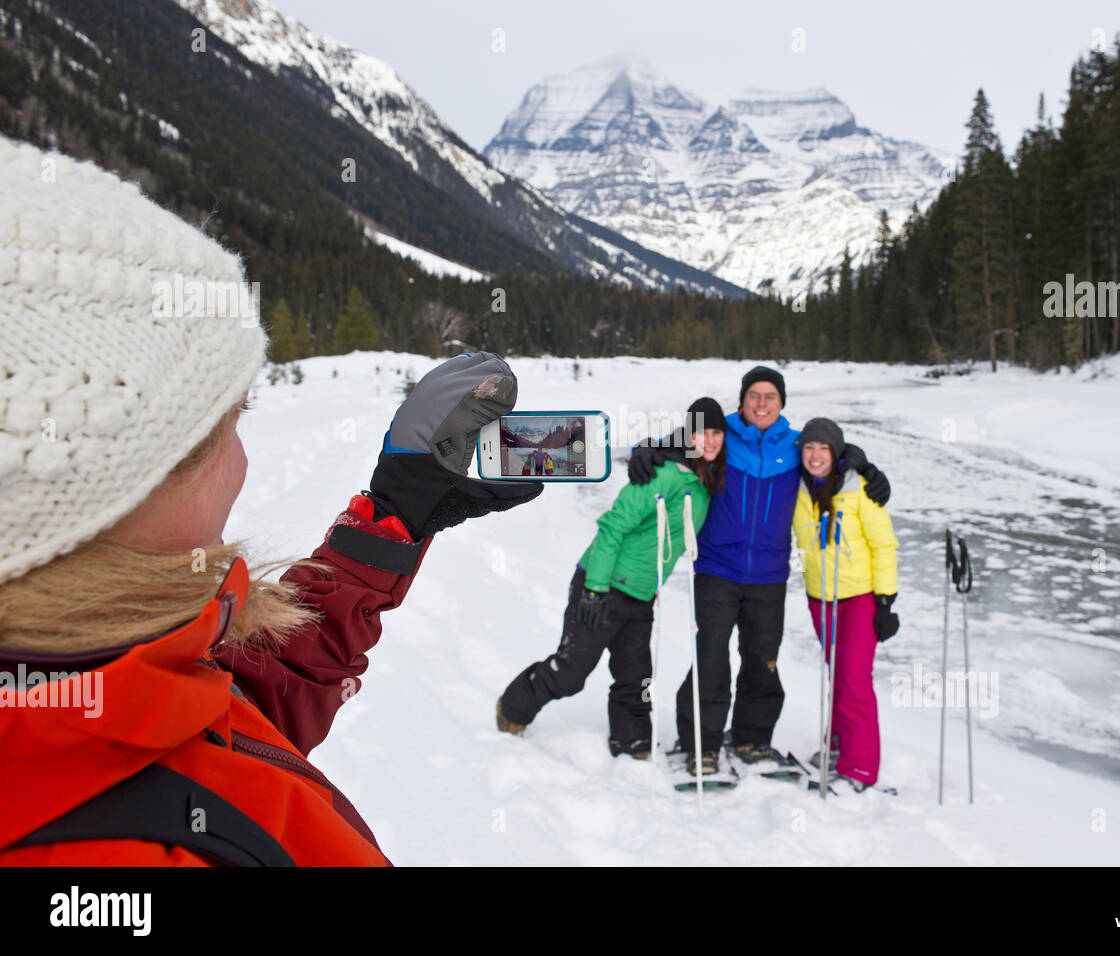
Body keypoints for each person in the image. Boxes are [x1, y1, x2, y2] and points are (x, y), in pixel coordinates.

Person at [0, 137, 540, 865]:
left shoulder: (81, 684)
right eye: (230, 423)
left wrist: (393, 518)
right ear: (115, 487)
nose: (244, 461)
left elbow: (243, 699)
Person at [628, 368, 891, 773]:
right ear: (742, 400)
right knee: (711, 657)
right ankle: (702, 741)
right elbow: (683, 441)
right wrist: (648, 449)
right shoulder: (723, 433)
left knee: (762, 659)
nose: (762, 403)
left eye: (770, 396)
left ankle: (752, 737)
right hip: (717, 569)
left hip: (769, 575)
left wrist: (862, 464)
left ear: (782, 402)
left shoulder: (796, 444)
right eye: (754, 396)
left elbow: (830, 454)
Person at [498, 399, 727, 757]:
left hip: (641, 595)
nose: (710, 440)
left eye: (717, 433)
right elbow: (612, 527)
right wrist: (595, 590)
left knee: (635, 677)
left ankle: (632, 742)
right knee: (570, 673)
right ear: (689, 432)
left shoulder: (702, 482)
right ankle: (512, 709)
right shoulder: (663, 473)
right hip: (602, 586)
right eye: (702, 431)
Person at [794, 418, 899, 791]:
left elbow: (883, 544)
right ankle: (839, 746)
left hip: (859, 597)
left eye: (823, 448)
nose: (815, 455)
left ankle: (860, 769)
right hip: (820, 596)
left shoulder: (860, 487)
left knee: (854, 681)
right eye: (809, 448)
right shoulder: (797, 486)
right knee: (838, 675)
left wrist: (885, 601)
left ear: (837, 452)